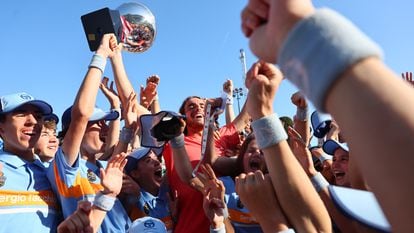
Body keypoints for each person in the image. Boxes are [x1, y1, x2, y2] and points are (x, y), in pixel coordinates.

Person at [242, 1, 414, 231]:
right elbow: (321, 225)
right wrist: (261, 111)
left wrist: (272, 221)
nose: (337, 164)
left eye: (346, 157)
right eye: (338, 157)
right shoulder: (357, 207)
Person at [49, 33, 130, 232]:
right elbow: (82, 113)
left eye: (106, 123)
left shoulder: (104, 164)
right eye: (97, 123)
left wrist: (117, 58)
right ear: (76, 130)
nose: (105, 128)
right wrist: (101, 53)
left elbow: (129, 126)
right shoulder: (66, 165)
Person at [0, 92, 61, 232]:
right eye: (21, 114)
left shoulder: (52, 173)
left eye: (38, 116)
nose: (33, 121)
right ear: (1, 127)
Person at [122, 147, 175, 232]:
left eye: (157, 158)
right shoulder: (132, 200)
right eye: (148, 161)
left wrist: (176, 217)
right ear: (135, 173)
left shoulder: (170, 192)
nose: (157, 162)